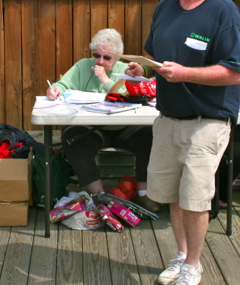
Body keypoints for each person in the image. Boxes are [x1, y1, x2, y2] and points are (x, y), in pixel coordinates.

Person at [126, 0, 240, 285]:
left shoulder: (224, 12)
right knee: (175, 195)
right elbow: (155, 57)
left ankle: (194, 264)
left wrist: (186, 74)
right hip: (167, 119)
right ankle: (181, 254)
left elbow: (235, 70)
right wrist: (142, 69)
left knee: (194, 198)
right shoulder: (165, 6)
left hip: (205, 122)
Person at [47, 28, 160, 213]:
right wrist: (56, 89)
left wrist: (105, 79)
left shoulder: (126, 70)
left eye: (106, 58)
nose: (99, 61)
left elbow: (128, 96)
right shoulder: (83, 66)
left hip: (125, 127)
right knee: (72, 137)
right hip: (94, 128)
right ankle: (100, 196)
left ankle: (144, 192)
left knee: (151, 135)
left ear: (116, 58)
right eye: (96, 55)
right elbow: (63, 83)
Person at [218, 84, 240, 207]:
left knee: (237, 154)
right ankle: (217, 191)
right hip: (222, 119)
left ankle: (222, 192)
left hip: (238, 125)